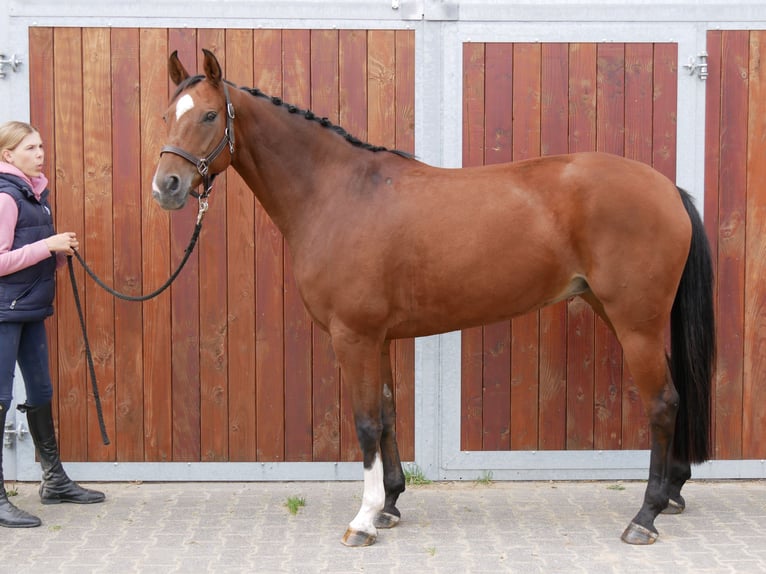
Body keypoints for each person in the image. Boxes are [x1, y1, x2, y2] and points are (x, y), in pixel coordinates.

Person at [0, 120, 105, 528]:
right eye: (30, 148)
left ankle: (54, 480)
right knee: (1, 397)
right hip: (5, 312)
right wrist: (47, 244)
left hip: (29, 309)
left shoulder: (35, 195)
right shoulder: (7, 197)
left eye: (41, 146)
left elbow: (30, 255)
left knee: (40, 390)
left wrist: (58, 253)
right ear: (9, 155)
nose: (40, 153)